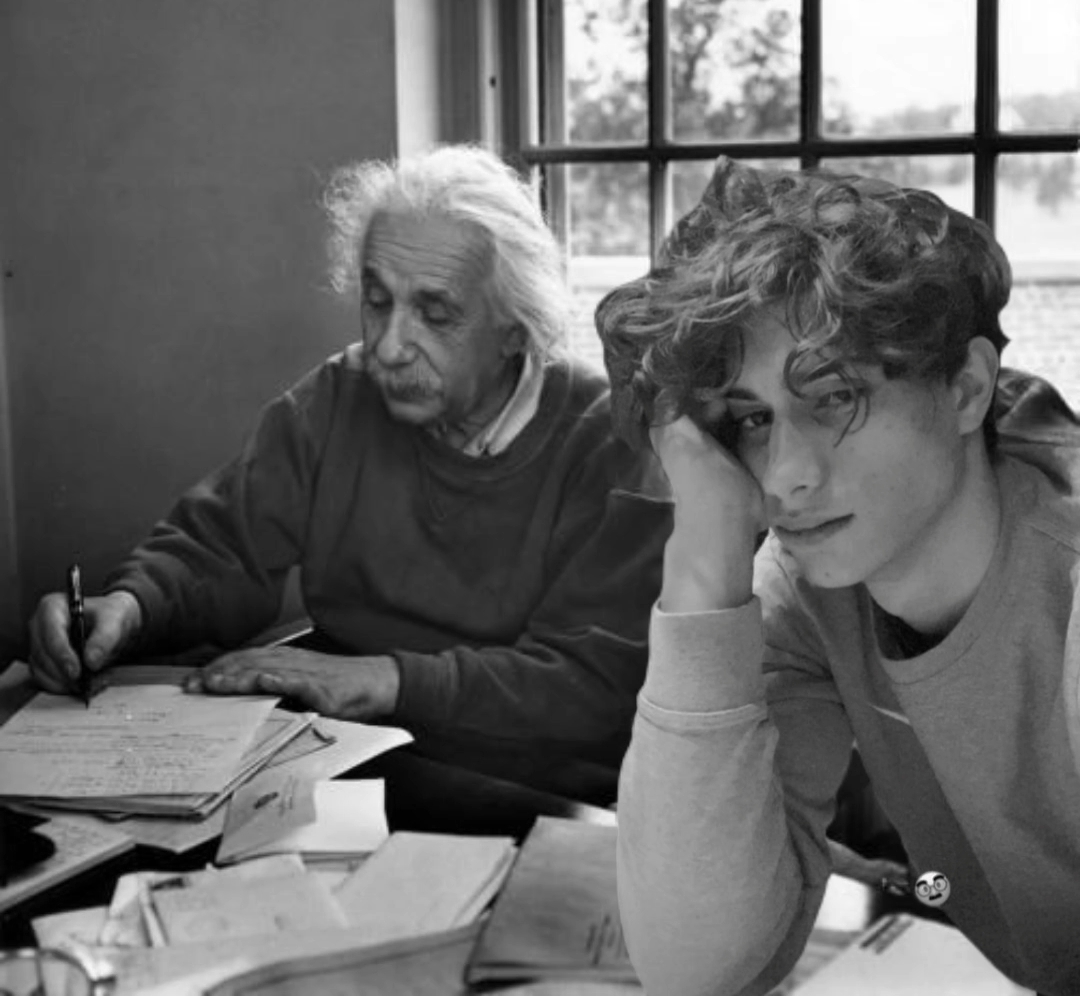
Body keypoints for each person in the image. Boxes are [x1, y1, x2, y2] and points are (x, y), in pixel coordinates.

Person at [28, 144, 672, 802]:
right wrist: (130, 608)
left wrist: (384, 679)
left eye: (435, 314)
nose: (388, 347)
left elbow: (586, 681)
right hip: (354, 759)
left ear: (515, 328)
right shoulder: (340, 396)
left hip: (535, 787)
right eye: (376, 301)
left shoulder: (608, 439)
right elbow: (225, 547)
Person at [596, 156, 1080, 996]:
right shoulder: (809, 588)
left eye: (835, 395)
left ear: (966, 389)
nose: (785, 477)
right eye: (750, 420)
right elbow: (698, 965)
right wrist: (705, 564)